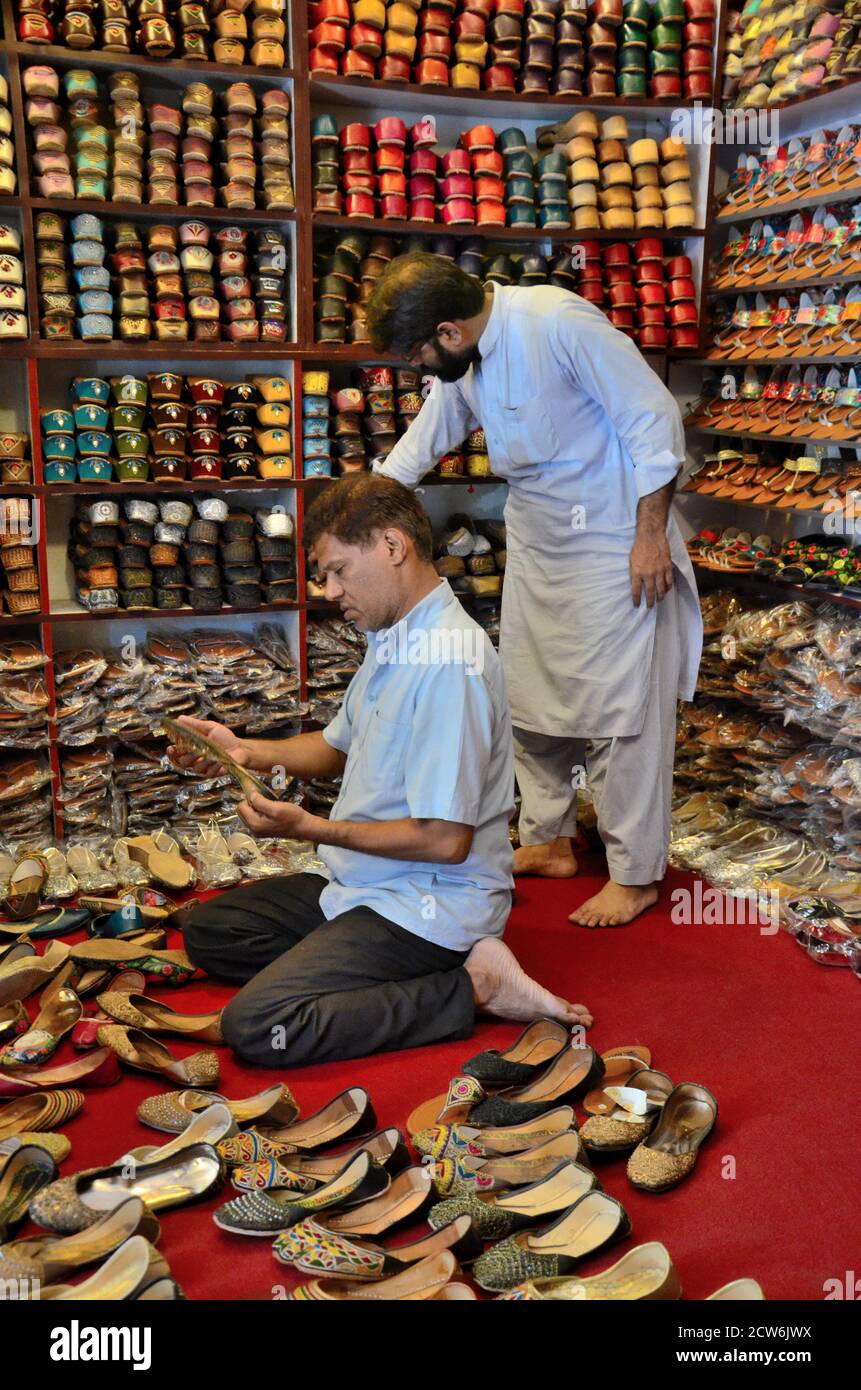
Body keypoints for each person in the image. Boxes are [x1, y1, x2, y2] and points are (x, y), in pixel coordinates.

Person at [177, 475, 591, 1067]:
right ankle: (352, 970)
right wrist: (245, 749)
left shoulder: (452, 663)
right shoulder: (394, 636)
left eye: (339, 570)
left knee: (259, 1023)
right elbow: (336, 746)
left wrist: (307, 828)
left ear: (392, 548)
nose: (328, 589)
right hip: (363, 881)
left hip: (428, 902)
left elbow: (446, 842)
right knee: (212, 932)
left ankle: (473, 985)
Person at [367, 252, 703, 928]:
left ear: (448, 331)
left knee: (622, 715)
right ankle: (549, 838)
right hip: (542, 549)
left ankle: (634, 873)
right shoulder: (467, 358)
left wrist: (649, 539)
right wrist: (365, 502)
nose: (417, 369)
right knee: (526, 696)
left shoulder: (557, 323)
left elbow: (653, 422)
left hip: (616, 546)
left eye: (417, 355)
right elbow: (430, 433)